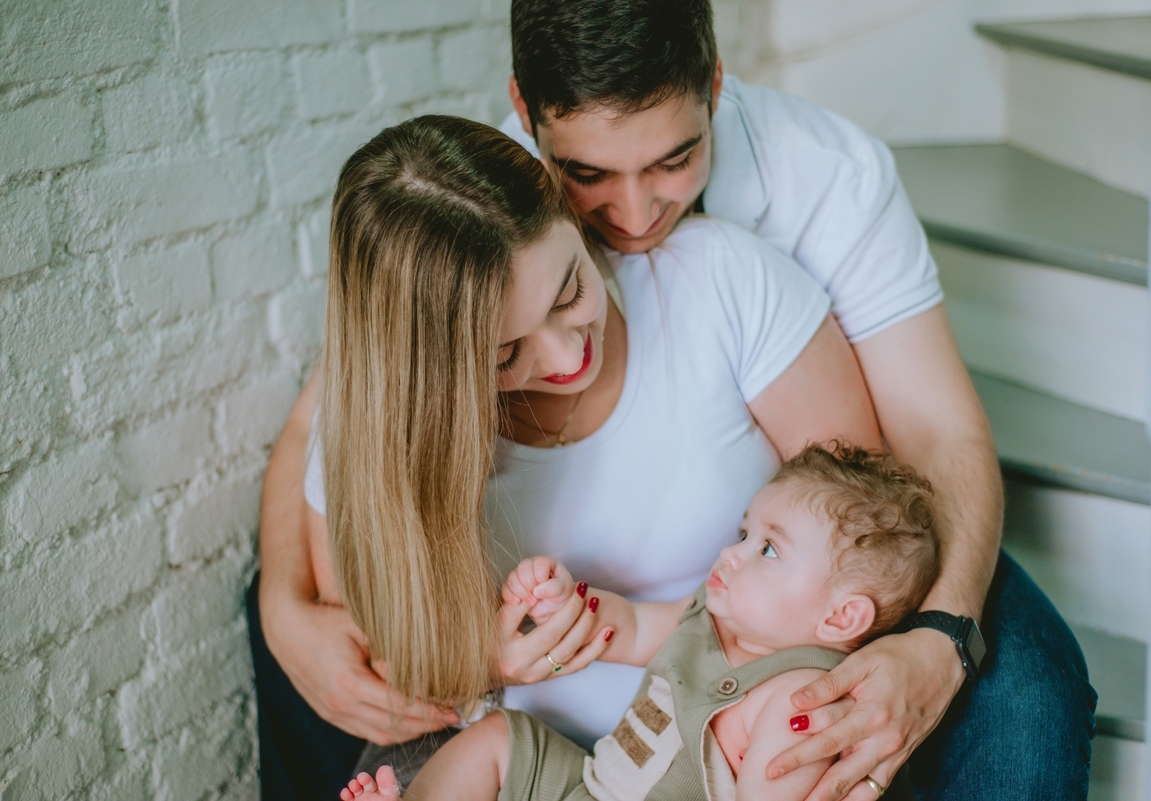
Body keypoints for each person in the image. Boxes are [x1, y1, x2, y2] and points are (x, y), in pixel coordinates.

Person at [252, 1, 1096, 798]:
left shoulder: (806, 195)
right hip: (579, 721)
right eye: (587, 174)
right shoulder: (468, 212)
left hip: (845, 534)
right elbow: (339, 420)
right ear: (532, 127)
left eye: (672, 161)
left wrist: (937, 636)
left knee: (1024, 691)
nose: (630, 213)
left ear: (715, 87)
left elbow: (914, 450)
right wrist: (285, 608)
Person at [256, 111, 882, 799]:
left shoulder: (715, 282)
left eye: (570, 292)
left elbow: (866, 531)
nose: (566, 356)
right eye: (504, 355)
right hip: (510, 759)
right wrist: (484, 658)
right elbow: (378, 645)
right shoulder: (379, 425)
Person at [340, 443, 940, 801]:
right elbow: (622, 628)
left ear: (842, 616)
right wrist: (561, 601)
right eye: (743, 533)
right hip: (588, 787)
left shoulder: (799, 696)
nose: (732, 553)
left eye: (770, 550)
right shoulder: (707, 616)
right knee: (502, 738)